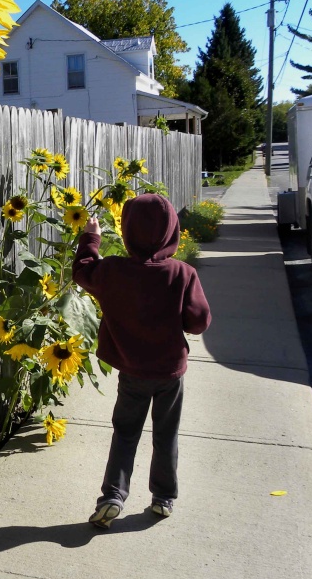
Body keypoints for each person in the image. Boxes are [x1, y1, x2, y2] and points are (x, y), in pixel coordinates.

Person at [72, 193, 211, 529]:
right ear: (173, 232)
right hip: (170, 373)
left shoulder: (114, 270)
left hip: (132, 372)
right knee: (166, 434)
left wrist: (91, 236)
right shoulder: (182, 273)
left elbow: (83, 271)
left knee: (125, 432)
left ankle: (113, 496)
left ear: (126, 231)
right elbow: (199, 321)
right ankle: (163, 498)